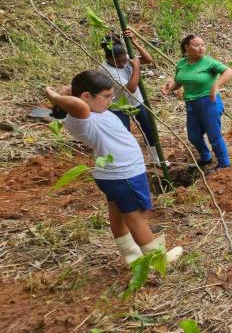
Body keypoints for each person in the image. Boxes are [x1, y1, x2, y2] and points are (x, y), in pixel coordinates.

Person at [44, 71, 183, 266]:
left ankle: (131, 255)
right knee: (136, 217)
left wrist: (68, 94)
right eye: (107, 96)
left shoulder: (95, 111)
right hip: (124, 174)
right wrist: (56, 96)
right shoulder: (82, 117)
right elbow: (78, 105)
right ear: (86, 97)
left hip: (115, 175)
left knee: (118, 212)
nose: (111, 100)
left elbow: (78, 102)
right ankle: (158, 260)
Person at [161, 35, 232, 172]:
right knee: (193, 136)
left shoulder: (208, 62)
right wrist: (169, 87)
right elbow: (179, 81)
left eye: (203, 45)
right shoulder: (182, 64)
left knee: (214, 135)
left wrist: (216, 85)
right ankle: (206, 157)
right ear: (187, 47)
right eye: (196, 45)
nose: (201, 48)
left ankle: (224, 164)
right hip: (191, 104)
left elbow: (229, 72)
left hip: (209, 102)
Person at [98, 30, 161, 164]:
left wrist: (134, 42)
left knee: (149, 130)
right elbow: (131, 88)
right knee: (124, 135)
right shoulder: (106, 70)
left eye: (124, 60)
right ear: (110, 59)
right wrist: (136, 67)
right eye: (120, 63)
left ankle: (156, 159)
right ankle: (127, 162)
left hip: (137, 101)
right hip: (118, 106)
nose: (123, 64)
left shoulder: (124, 57)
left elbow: (149, 60)